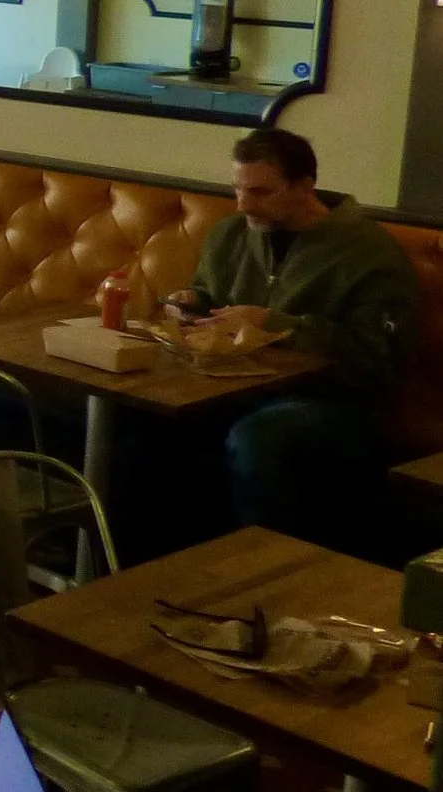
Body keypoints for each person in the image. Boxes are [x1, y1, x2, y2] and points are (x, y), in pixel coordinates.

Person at [161, 127, 418, 547]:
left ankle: (266, 567)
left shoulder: (369, 253)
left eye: (261, 192)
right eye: (238, 189)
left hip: (332, 403)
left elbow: (376, 360)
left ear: (304, 186)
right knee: (142, 418)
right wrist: (190, 302)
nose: (243, 204)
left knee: (257, 437)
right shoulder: (231, 234)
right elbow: (211, 296)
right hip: (232, 385)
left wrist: (275, 323)